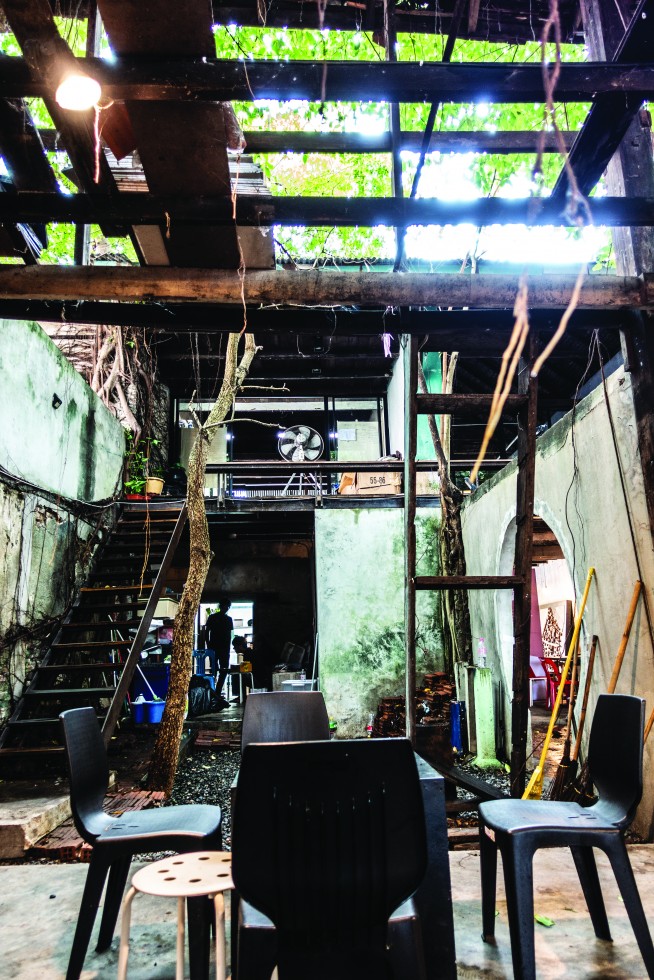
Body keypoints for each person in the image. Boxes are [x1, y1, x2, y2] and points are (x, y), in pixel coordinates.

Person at [205, 599, 233, 697]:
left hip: (222, 648)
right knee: (216, 669)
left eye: (227, 607)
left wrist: (208, 644)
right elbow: (206, 632)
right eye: (225, 606)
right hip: (216, 647)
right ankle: (215, 691)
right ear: (221, 607)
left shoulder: (227, 619)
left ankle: (217, 691)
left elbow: (229, 635)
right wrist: (208, 644)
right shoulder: (213, 617)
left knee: (222, 669)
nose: (226, 608)